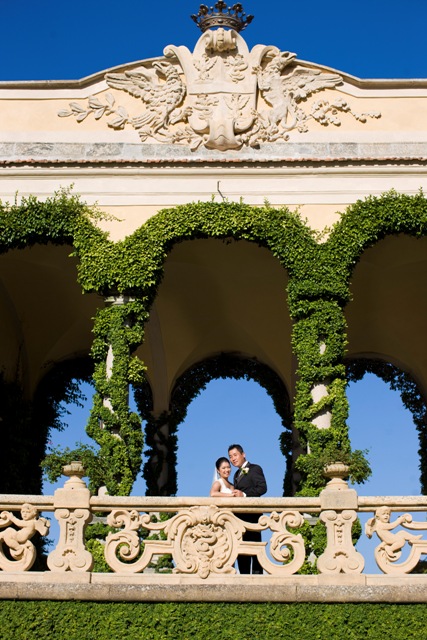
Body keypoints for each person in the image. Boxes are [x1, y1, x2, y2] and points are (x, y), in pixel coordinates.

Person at [228, 443, 267, 574]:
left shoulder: (255, 468)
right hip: (238, 518)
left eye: (235, 455)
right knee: (241, 549)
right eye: (230, 457)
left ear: (243, 454)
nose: (233, 459)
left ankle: (257, 580)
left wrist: (243, 495)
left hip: (252, 517)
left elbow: (262, 488)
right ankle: (243, 577)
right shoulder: (236, 474)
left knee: (255, 547)